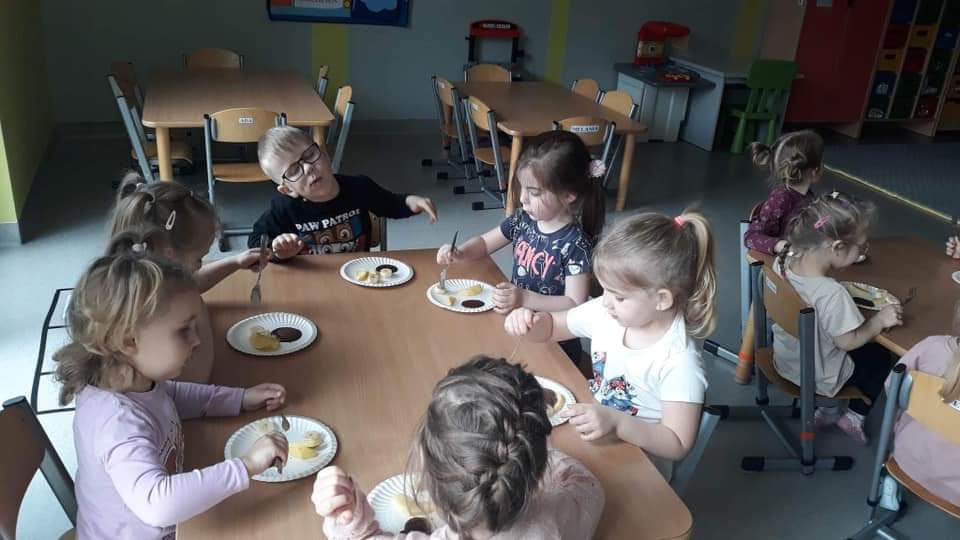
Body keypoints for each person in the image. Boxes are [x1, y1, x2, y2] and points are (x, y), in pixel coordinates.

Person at [55, 249, 289, 539]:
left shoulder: (135, 379)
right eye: (183, 330)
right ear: (129, 341)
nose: (197, 339)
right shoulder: (117, 423)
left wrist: (239, 399)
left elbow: (171, 397)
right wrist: (247, 465)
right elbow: (158, 505)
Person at [505, 210, 717, 479]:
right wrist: (531, 322)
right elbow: (553, 327)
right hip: (595, 426)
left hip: (640, 462)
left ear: (662, 299)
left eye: (618, 296)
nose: (605, 302)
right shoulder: (606, 313)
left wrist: (617, 423)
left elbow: (677, 443)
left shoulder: (679, 362)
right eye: (604, 289)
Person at [311, 355, 604, 539]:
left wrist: (350, 521)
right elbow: (586, 485)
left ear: (427, 475)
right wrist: (529, 440)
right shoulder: (558, 521)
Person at [437, 131, 605, 363]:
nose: (523, 198)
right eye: (522, 188)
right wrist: (461, 252)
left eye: (534, 192)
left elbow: (574, 304)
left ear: (568, 195)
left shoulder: (575, 243)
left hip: (555, 342)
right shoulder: (522, 220)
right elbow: (485, 243)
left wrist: (525, 298)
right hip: (517, 324)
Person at [109, 172, 265, 382]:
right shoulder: (152, 315)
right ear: (169, 255)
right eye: (199, 258)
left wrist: (235, 262)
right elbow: (196, 380)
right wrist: (197, 315)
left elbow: (194, 282)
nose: (200, 265)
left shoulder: (147, 278)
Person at [772, 191, 901, 444]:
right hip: (818, 375)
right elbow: (848, 342)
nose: (862, 251)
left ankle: (828, 410)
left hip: (786, 358)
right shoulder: (831, 293)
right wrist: (878, 321)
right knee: (880, 357)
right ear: (838, 248)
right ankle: (852, 416)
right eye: (860, 246)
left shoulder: (783, 262)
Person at [250, 126, 437, 258]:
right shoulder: (283, 208)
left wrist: (411, 202)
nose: (308, 168)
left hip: (358, 272)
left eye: (309, 155)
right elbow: (256, 241)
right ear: (287, 189)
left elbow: (391, 204)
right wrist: (276, 248)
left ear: (324, 154)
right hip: (309, 278)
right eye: (293, 170)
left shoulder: (359, 187)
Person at [743, 130, 824, 255]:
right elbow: (751, 237)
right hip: (782, 262)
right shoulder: (780, 199)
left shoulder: (809, 196)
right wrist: (781, 245)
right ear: (815, 171)